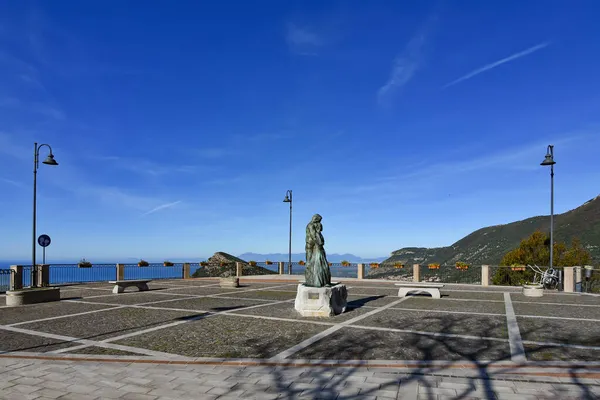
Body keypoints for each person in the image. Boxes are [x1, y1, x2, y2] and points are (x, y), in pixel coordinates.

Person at [304, 214, 331, 287]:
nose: (319, 223)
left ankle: (316, 280)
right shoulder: (310, 225)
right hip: (311, 245)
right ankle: (312, 279)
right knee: (309, 262)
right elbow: (313, 235)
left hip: (315, 245)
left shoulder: (313, 227)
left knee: (315, 262)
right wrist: (319, 243)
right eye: (319, 221)